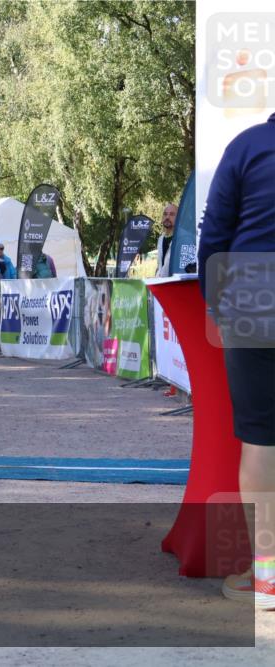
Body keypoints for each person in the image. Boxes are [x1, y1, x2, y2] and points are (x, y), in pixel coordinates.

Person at [199, 111, 275, 610]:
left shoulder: (247, 147)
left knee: (262, 438)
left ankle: (268, 577)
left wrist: (216, 302)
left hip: (253, 302)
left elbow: (214, 238)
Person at [156, 202, 178, 278]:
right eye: (165, 214)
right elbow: (160, 266)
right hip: (162, 285)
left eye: (172, 214)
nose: (167, 217)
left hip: (175, 285)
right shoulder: (160, 239)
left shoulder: (183, 239)